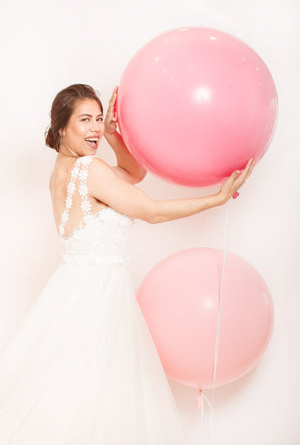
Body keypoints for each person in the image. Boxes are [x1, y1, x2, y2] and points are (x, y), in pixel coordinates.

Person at [0, 83, 255, 444]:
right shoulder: (88, 169)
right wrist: (216, 199)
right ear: (61, 128)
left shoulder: (64, 171)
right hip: (97, 295)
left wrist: (114, 135)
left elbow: (133, 174)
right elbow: (151, 211)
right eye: (85, 120)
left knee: (77, 388)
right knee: (95, 391)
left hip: (75, 287)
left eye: (99, 119)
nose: (94, 129)